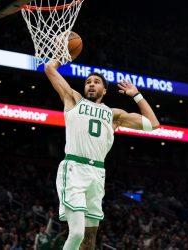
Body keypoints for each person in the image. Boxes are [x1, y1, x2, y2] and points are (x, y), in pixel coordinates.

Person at [44, 59, 159, 250]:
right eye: (88, 81)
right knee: (77, 233)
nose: (91, 84)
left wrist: (136, 95)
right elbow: (49, 68)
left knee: (89, 240)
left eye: (96, 82)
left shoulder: (114, 115)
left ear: (104, 91)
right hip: (74, 169)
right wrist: (62, 53)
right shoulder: (73, 100)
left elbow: (153, 123)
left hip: (97, 174)